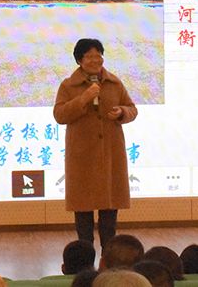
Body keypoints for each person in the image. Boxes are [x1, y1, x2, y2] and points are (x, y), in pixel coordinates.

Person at [54, 38, 138, 247]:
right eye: (89, 56)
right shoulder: (68, 85)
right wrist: (85, 97)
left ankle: (109, 257)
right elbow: (60, 115)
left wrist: (121, 112)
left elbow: (132, 109)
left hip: (110, 155)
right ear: (79, 60)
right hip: (82, 157)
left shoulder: (114, 83)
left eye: (98, 55)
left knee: (109, 217)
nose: (95, 60)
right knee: (83, 216)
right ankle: (85, 257)